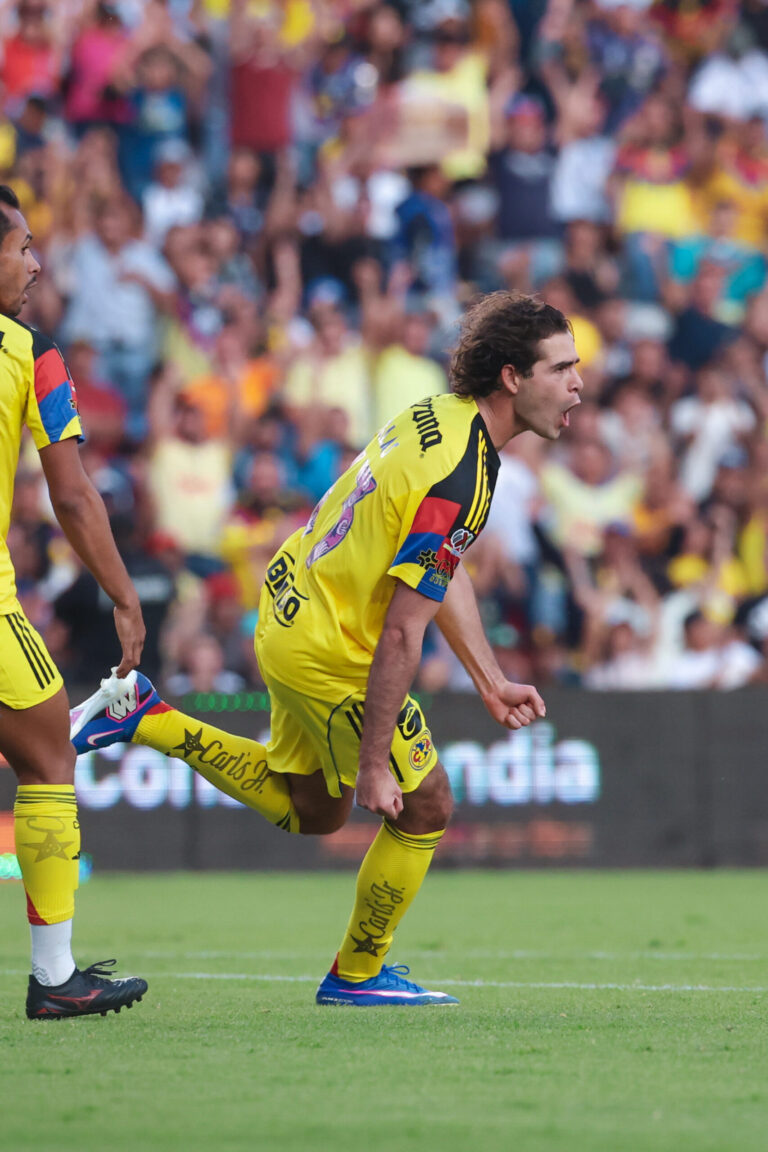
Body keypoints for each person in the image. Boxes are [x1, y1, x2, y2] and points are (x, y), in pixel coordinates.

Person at [71, 290, 583, 1006]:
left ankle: (148, 718)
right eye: (561, 368)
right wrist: (375, 764)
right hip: (330, 646)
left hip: (288, 610)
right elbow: (404, 629)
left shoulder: (436, 416)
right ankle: (358, 974)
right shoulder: (464, 473)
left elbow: (436, 568)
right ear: (512, 378)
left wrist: (488, 678)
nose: (577, 385)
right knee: (425, 805)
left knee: (315, 809)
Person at [0, 184, 148, 1020]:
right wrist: (123, 596)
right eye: (21, 246)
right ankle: (55, 979)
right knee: (50, 754)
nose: (35, 262)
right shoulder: (31, 351)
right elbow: (75, 496)